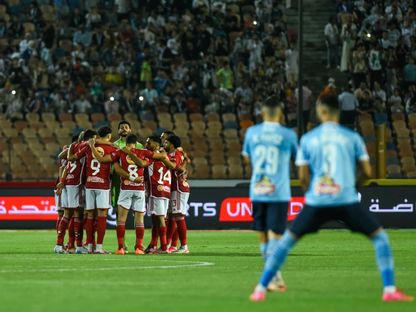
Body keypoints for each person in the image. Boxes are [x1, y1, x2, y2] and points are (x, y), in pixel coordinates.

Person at [249, 92, 414, 302]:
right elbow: (368, 172)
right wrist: (353, 187)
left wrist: (311, 193)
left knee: (285, 243)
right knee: (380, 238)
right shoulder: (352, 137)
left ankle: (260, 289)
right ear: (338, 112)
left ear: (320, 111)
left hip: (317, 200)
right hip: (345, 200)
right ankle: (389, 289)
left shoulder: (309, 138)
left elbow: (302, 175)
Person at [243, 95, 298, 292]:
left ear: (263, 112)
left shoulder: (252, 132)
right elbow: (297, 159)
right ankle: (275, 277)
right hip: (279, 192)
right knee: (275, 236)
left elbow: (247, 159)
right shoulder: (288, 134)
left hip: (257, 191)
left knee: (263, 237)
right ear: (281, 113)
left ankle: (274, 277)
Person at [89, 133, 159, 255]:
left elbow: (102, 160)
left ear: (126, 142)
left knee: (121, 220)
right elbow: (145, 163)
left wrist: (92, 147)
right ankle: (138, 248)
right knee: (139, 220)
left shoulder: (120, 152)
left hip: (125, 189)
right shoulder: (143, 152)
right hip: (139, 190)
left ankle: (121, 248)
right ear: (136, 143)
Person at [67, 126, 118, 254]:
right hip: (103, 185)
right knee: (102, 215)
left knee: (90, 215)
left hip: (89, 184)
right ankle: (99, 247)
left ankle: (89, 246)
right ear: (109, 136)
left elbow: (73, 158)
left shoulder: (88, 146)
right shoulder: (112, 148)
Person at [163, 134, 190, 254]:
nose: (164, 144)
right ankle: (168, 245)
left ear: (172, 145)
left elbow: (174, 166)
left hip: (178, 188)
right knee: (170, 217)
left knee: (179, 215)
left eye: (166, 142)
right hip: (171, 188)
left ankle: (184, 246)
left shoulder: (176, 154)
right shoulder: (171, 154)